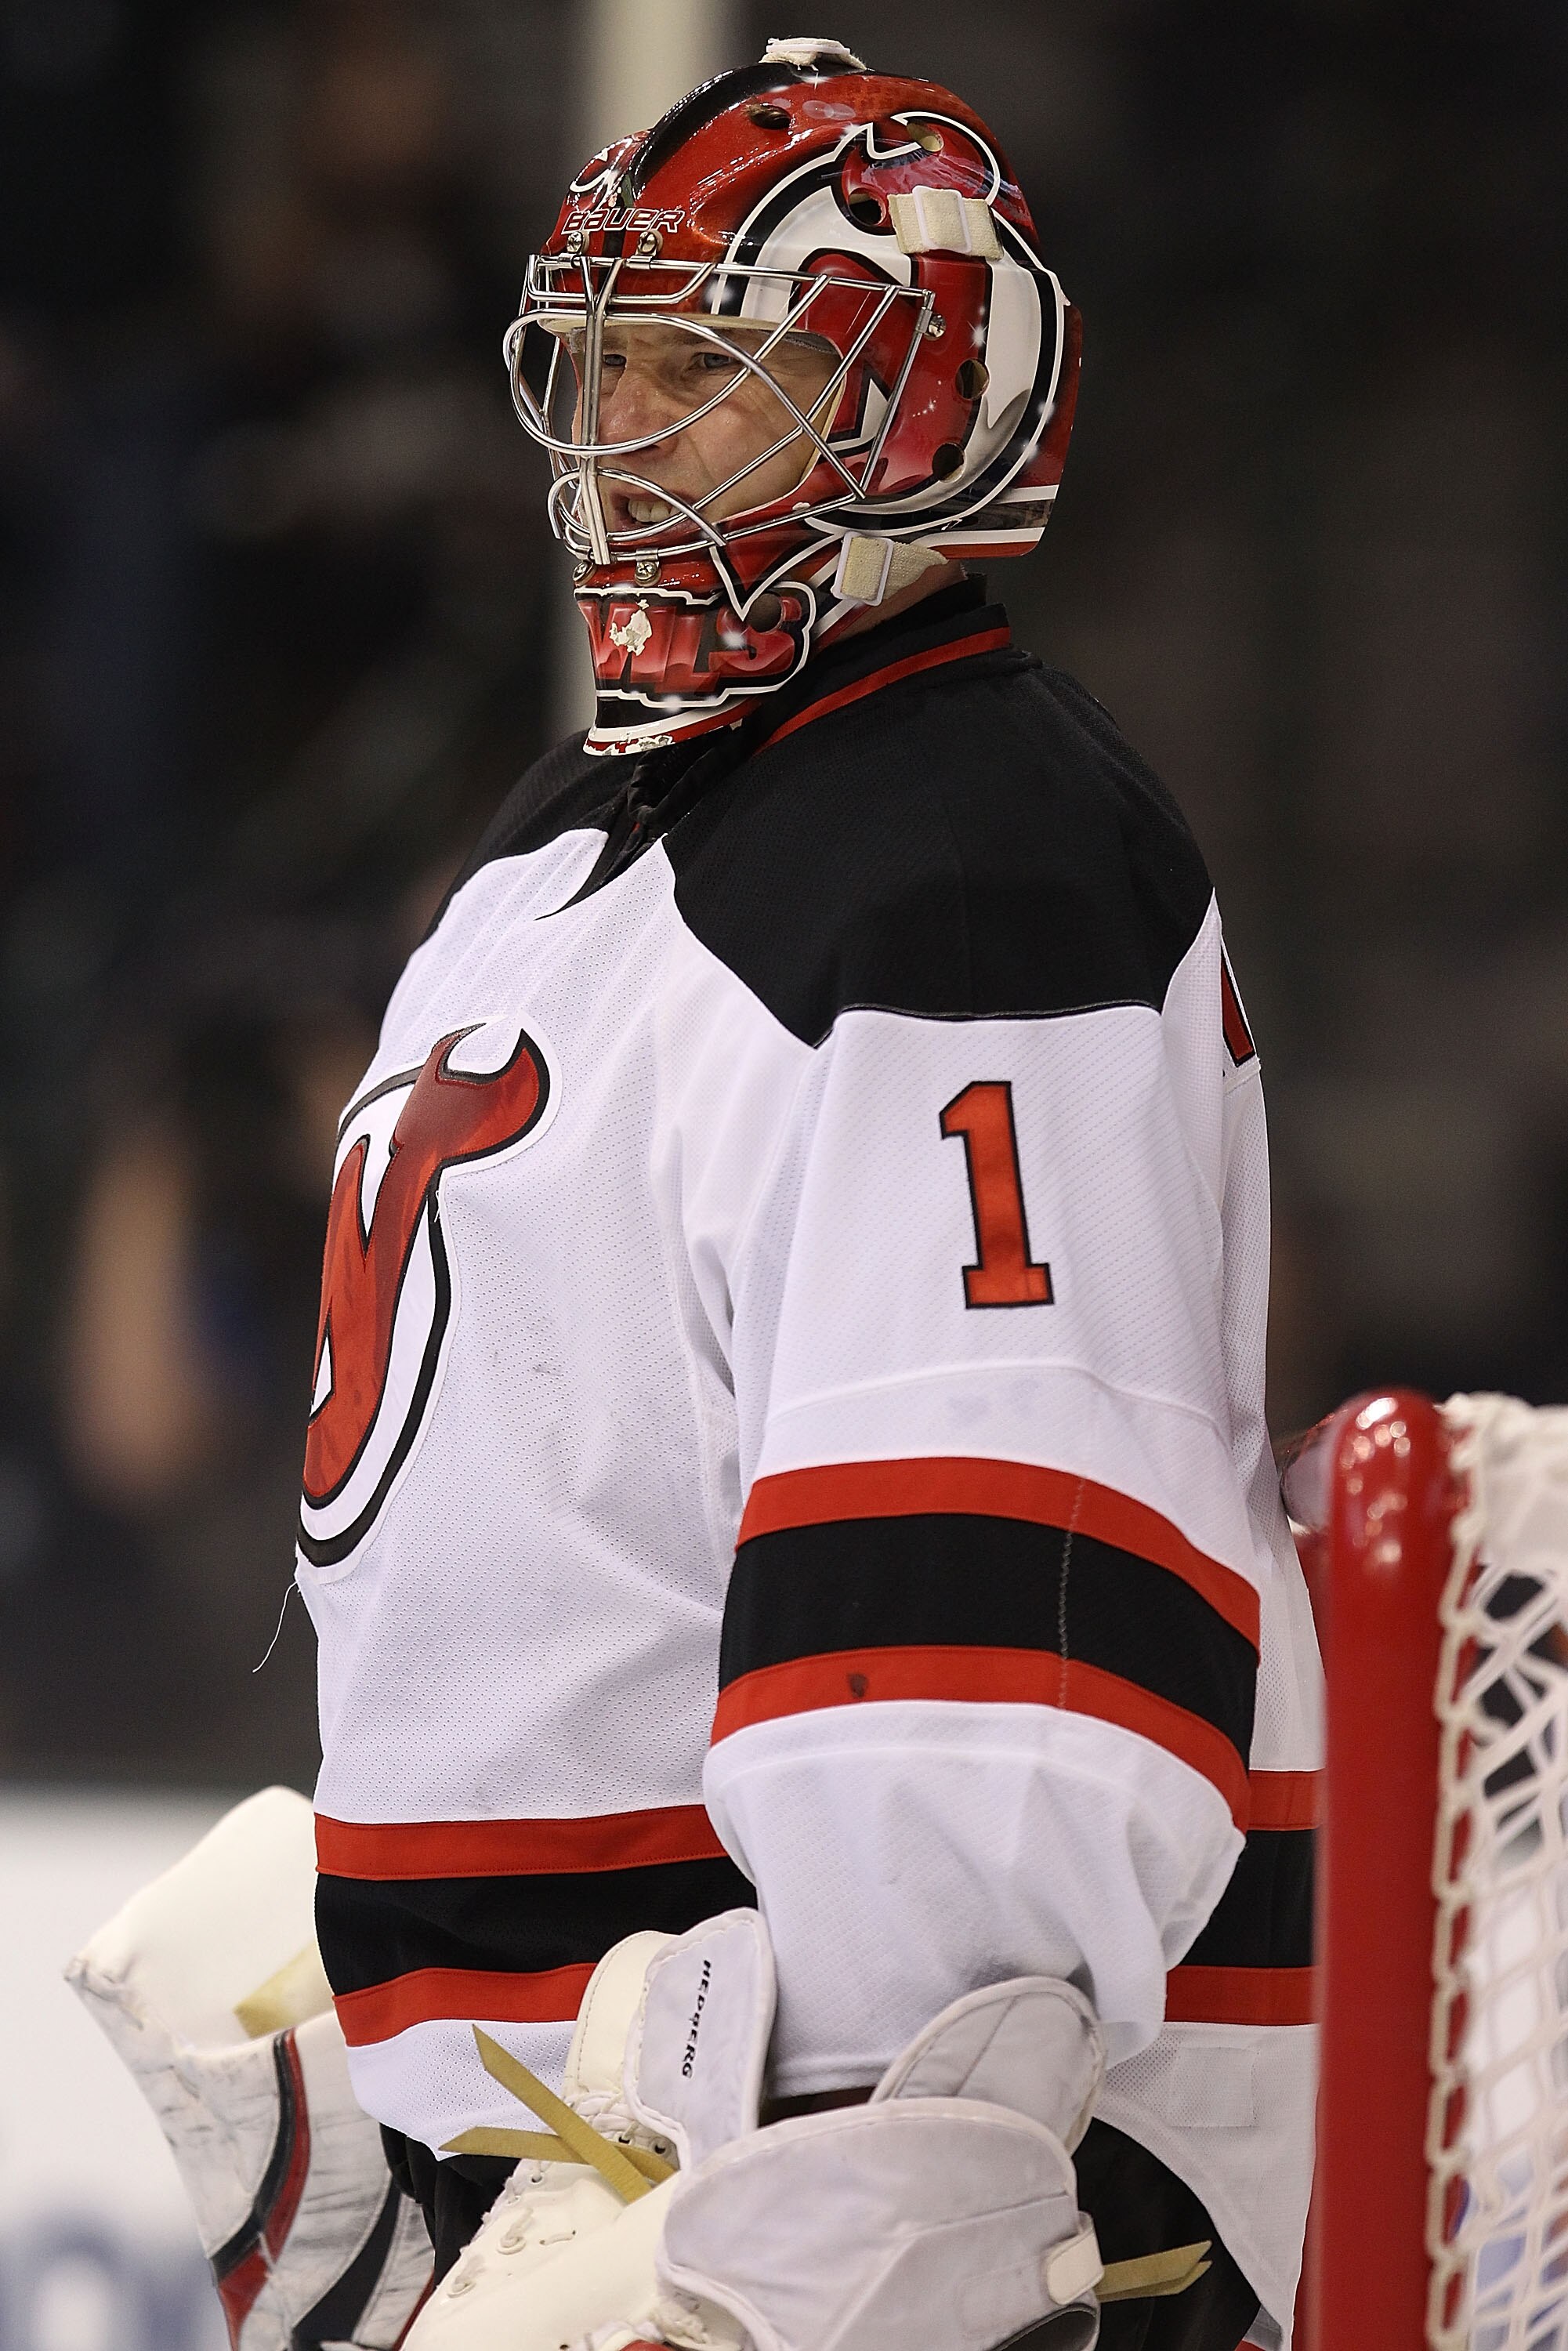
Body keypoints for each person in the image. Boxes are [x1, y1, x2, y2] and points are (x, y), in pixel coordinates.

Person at [228, 35, 1324, 2351]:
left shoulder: (964, 860)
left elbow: (978, 1655)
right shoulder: (577, 835)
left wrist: (865, 2195)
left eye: (712, 369)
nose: (624, 434)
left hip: (814, 2179)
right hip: (573, 2156)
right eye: (604, 359)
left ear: (918, 413)